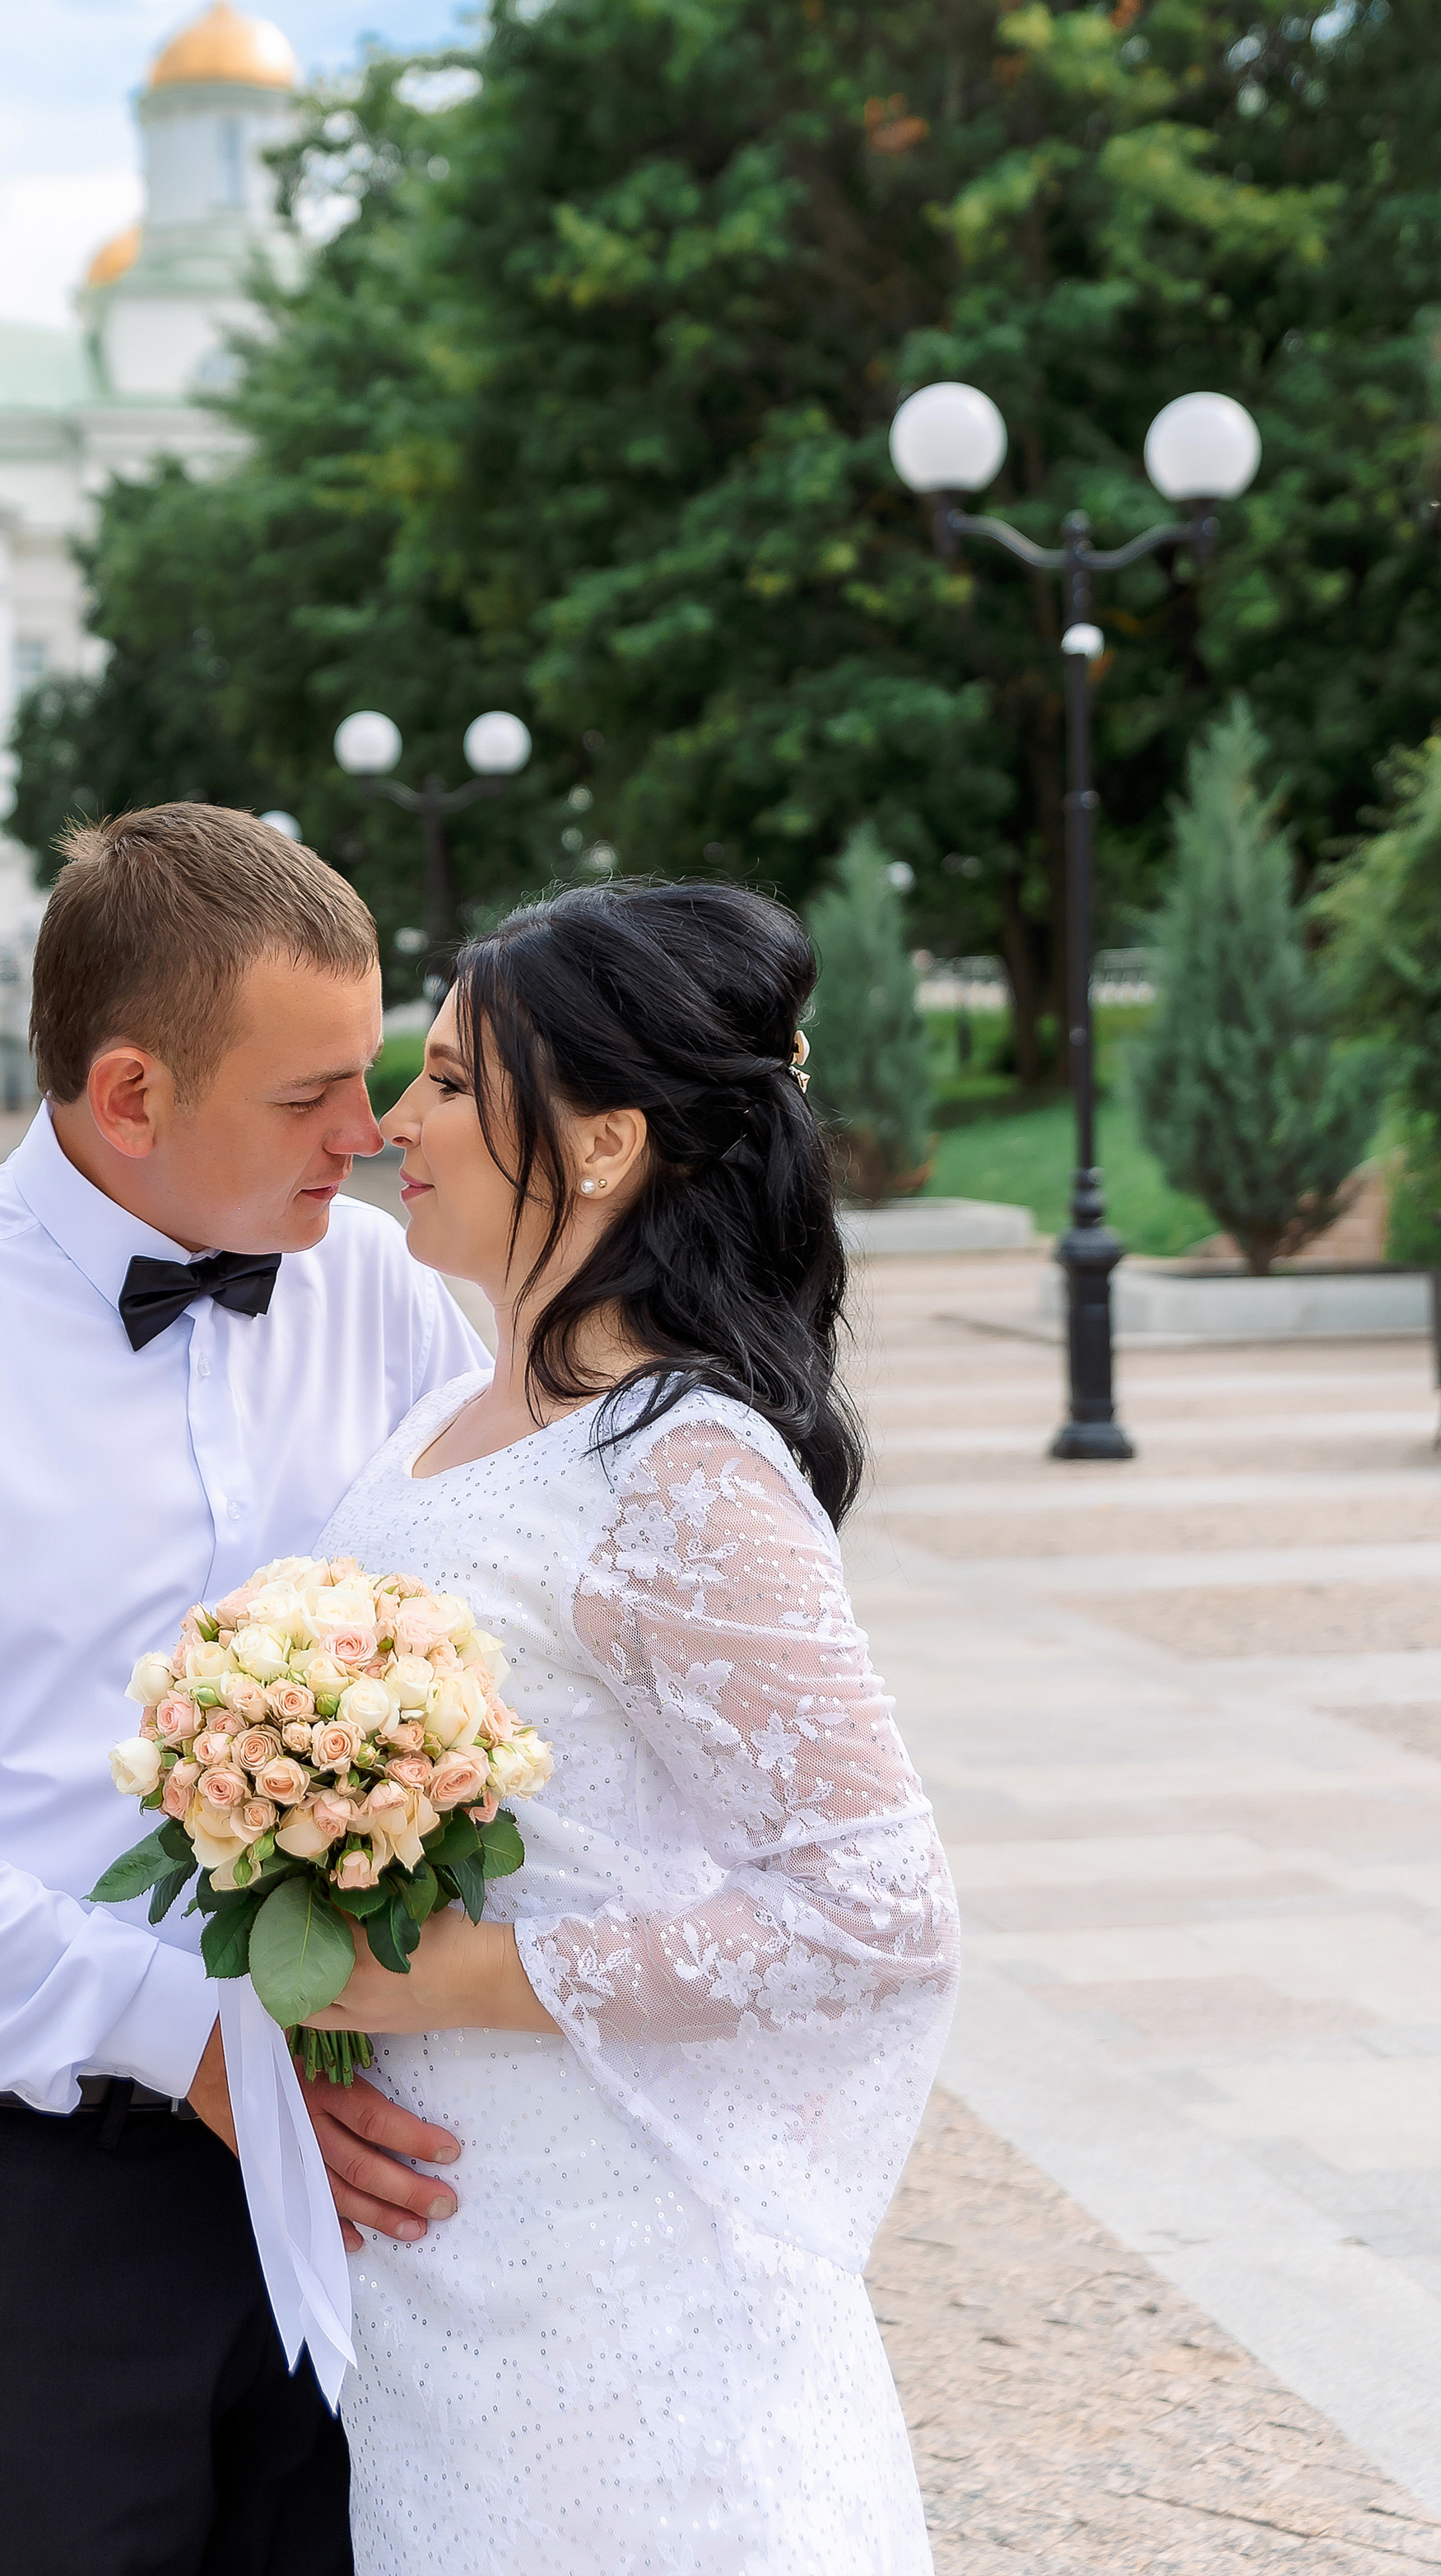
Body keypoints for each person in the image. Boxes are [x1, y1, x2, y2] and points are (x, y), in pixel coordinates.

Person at [0, 805, 485, 2576]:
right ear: (127, 1096)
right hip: (34, 2206)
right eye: (310, 1097)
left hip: (371, 2174)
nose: (366, 1143)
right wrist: (172, 2026)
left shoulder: (392, 1303)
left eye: (373, 1082)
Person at [299, 881, 960, 2575]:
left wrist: (465, 1981)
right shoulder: (459, 1408)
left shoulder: (679, 1466)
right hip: (450, 2267)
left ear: (599, 1147)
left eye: (445, 1081)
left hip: (623, 2286)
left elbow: (876, 1913)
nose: (390, 1121)